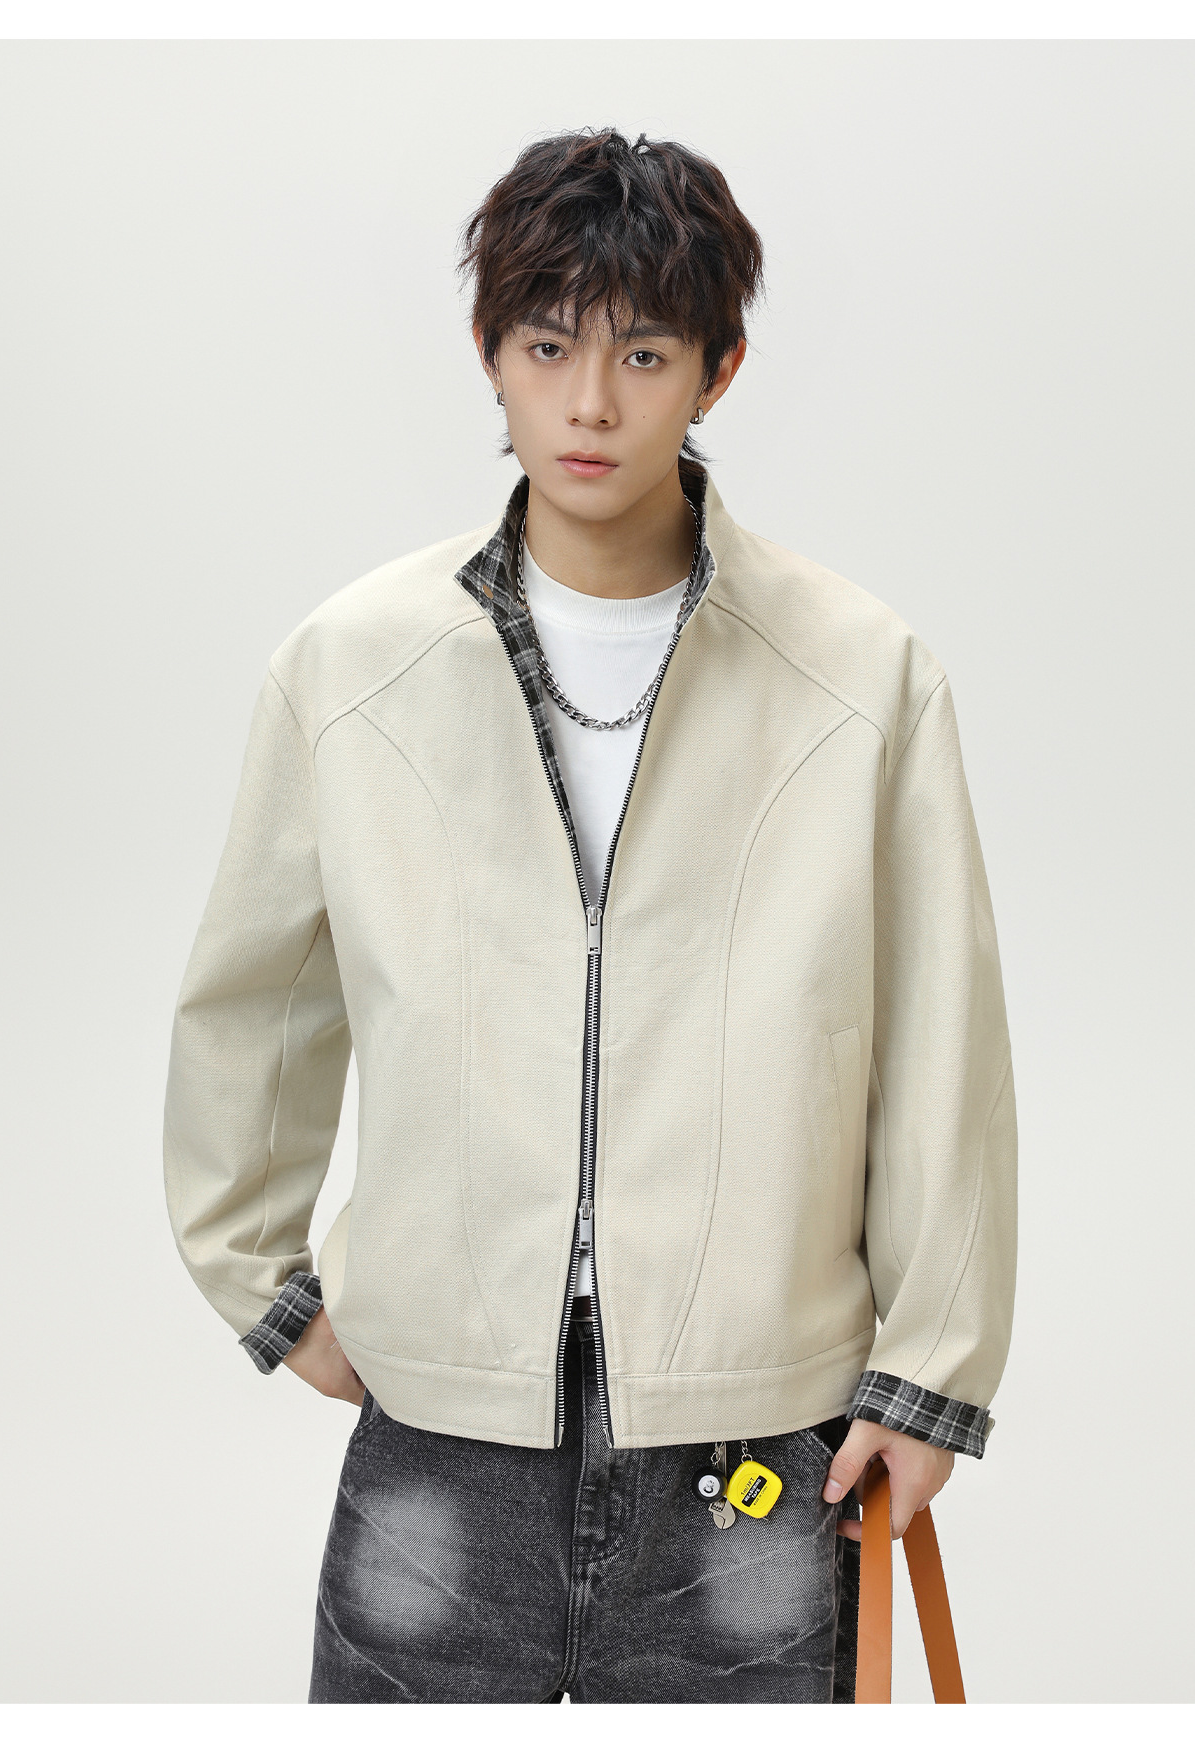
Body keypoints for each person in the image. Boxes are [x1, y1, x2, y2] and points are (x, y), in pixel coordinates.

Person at [163, 127, 1017, 1705]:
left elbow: (939, 1040)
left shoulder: (862, 676)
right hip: (444, 1434)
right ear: (489, 353)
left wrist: (929, 1374)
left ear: (718, 370)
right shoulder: (352, 667)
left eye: (643, 353)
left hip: (756, 1436)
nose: (591, 405)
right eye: (548, 347)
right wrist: (265, 1283)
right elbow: (256, 1003)